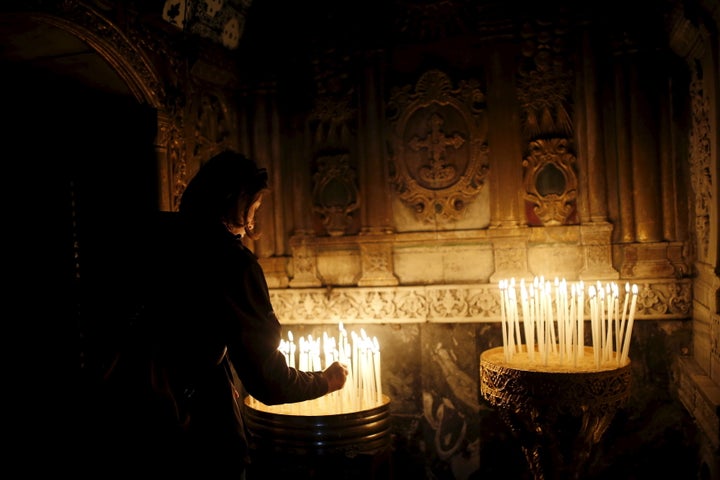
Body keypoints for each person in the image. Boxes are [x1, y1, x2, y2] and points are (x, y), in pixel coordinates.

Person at [98, 150, 348, 478]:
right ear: (238, 201)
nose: (254, 219)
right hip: (195, 429)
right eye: (255, 207)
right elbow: (267, 380)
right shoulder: (234, 265)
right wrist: (324, 381)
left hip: (123, 415)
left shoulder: (156, 233)